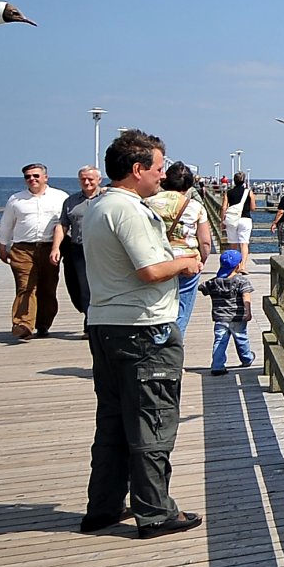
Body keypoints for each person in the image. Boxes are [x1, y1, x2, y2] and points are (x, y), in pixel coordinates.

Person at [79, 128, 203, 539]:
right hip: (143, 329)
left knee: (113, 421)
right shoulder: (130, 210)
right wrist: (185, 263)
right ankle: (154, 511)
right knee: (152, 419)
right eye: (158, 168)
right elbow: (149, 271)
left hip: (105, 324)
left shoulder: (97, 206)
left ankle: (104, 506)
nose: (162, 177)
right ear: (137, 170)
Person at [0, 163, 68, 342]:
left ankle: (43, 323)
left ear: (45, 177)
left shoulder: (60, 197)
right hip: (22, 248)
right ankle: (23, 324)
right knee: (25, 286)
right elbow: (7, 224)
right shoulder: (16, 199)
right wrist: (2, 245)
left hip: (50, 248)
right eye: (28, 176)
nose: (32, 179)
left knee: (47, 288)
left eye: (36, 175)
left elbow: (67, 222)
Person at [145, 161, 211, 344]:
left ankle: (155, 345)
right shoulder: (195, 207)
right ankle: (172, 352)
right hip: (187, 262)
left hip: (157, 263)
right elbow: (205, 242)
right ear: (188, 185)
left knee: (156, 307)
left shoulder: (147, 203)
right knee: (181, 310)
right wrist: (202, 260)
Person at [50, 166, 102, 317]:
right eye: (83, 179)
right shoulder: (71, 201)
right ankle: (88, 317)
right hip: (79, 249)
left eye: (90, 179)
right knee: (81, 287)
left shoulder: (107, 197)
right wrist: (55, 248)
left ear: (99, 180)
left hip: (102, 249)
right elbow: (63, 225)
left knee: (100, 285)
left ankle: (94, 322)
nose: (87, 182)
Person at [200, 249, 255, 376]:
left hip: (220, 318)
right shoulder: (242, 281)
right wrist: (248, 312)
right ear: (238, 265)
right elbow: (246, 296)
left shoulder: (214, 282)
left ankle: (217, 366)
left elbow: (202, 287)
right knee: (241, 337)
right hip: (237, 317)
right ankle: (246, 358)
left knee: (220, 340)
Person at [222, 172, 252, 267]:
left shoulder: (229, 192)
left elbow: (224, 207)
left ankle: (234, 266)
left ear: (234, 181)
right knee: (244, 244)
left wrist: (223, 220)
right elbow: (253, 207)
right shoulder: (248, 192)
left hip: (232, 219)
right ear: (244, 181)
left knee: (233, 244)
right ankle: (242, 266)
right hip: (245, 218)